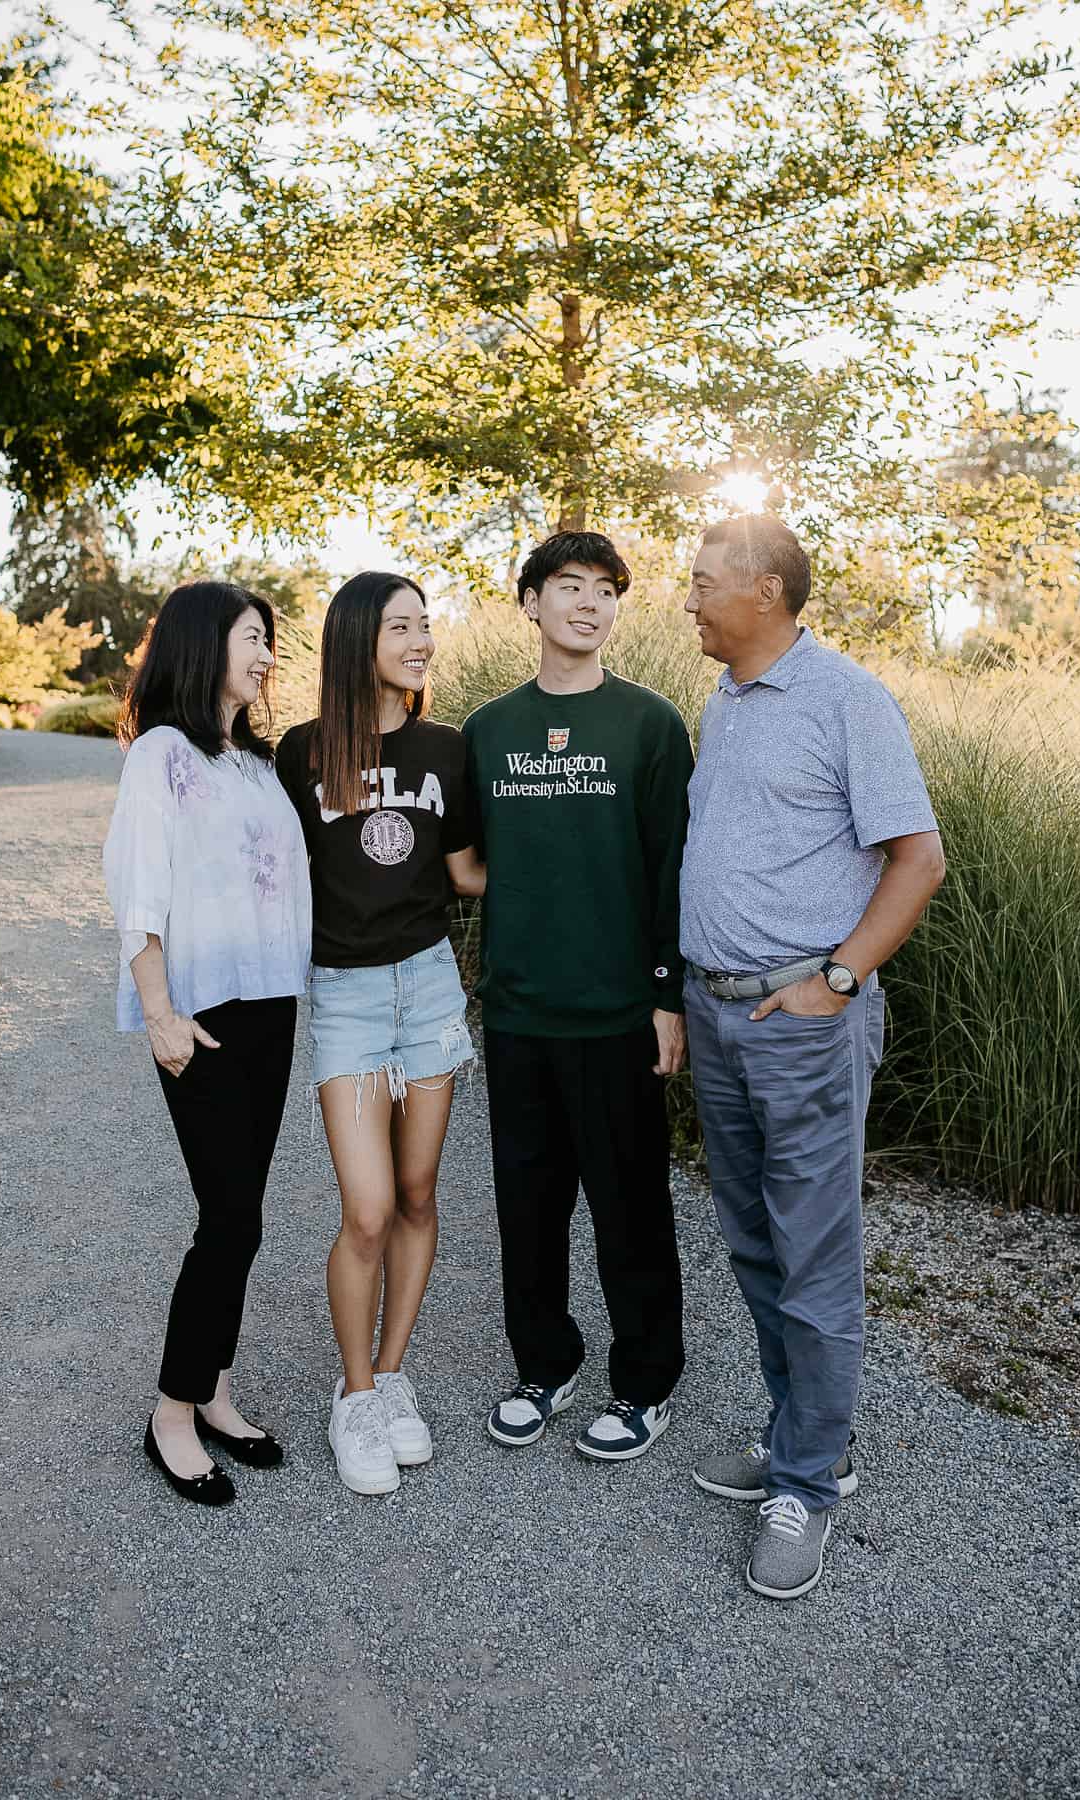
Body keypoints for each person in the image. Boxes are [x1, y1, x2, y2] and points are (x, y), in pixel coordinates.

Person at [680, 515, 945, 1599]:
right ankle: (805, 1439)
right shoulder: (725, 703)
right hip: (718, 1017)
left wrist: (835, 984)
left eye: (703, 583)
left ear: (769, 592)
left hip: (802, 1024)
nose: (687, 600)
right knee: (753, 1245)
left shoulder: (847, 699)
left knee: (816, 1256)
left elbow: (917, 860)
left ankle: (808, 1489)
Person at [462, 531, 694, 1462]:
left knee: (630, 1206)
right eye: (569, 586)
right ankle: (544, 1366)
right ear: (530, 602)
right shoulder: (489, 731)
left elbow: (672, 870)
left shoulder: (649, 725)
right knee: (528, 1205)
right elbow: (467, 863)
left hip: (617, 1016)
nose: (589, 603)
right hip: (518, 1010)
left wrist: (666, 996)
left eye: (606, 590)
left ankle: (644, 1384)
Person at [103, 581, 312, 1508]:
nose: (267, 655)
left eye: (270, 640)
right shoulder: (163, 755)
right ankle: (172, 1413)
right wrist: (158, 1011)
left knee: (247, 1215)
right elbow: (137, 887)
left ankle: (217, 1389)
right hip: (198, 1013)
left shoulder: (254, 763)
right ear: (200, 644)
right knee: (226, 1219)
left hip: (270, 1005)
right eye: (251, 637)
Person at [276, 572, 482, 1497]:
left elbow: (469, 872)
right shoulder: (301, 753)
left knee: (417, 1191)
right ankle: (351, 1396)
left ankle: (392, 1376)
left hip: (430, 987)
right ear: (359, 639)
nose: (421, 640)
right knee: (364, 1210)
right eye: (401, 625)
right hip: (348, 998)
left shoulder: (448, 748)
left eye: (426, 625)